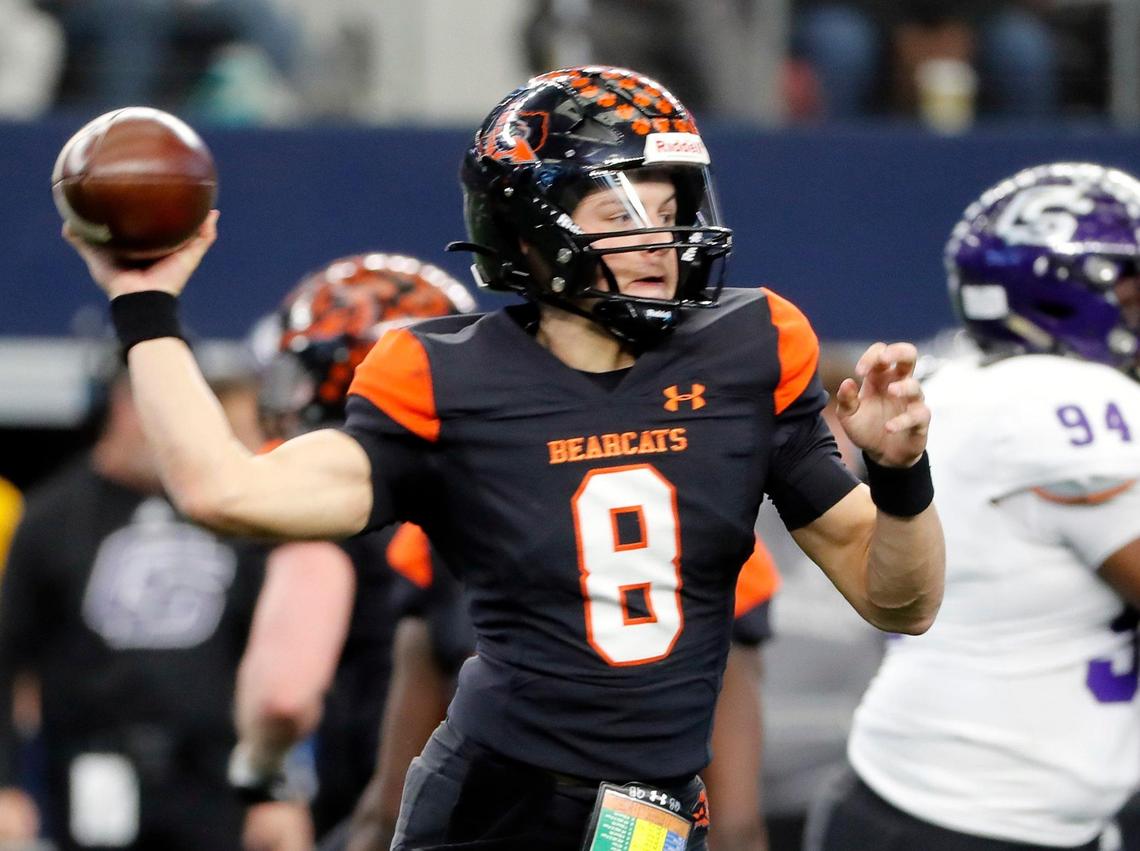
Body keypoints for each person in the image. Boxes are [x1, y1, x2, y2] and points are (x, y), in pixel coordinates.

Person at [61, 65, 944, 850]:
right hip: (503, 804)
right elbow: (227, 492)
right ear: (531, 233)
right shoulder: (447, 377)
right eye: (621, 215)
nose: (658, 242)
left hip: (657, 812)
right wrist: (144, 303)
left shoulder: (750, 348)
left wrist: (901, 475)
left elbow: (900, 599)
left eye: (669, 213)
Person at [804, 161, 1140, 851]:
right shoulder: (1065, 400)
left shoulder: (969, 381)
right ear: (1068, 296)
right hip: (968, 820)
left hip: (946, 800)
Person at [229, 252, 476, 851]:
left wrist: (260, 776)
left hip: (385, 811)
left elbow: (285, 694)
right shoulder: (503, 483)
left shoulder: (332, 507)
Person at [342, 537, 781, 851]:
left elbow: (389, 806)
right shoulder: (714, 530)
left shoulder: (443, 531)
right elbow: (736, 824)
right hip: (642, 824)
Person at [0, 348, 265, 850]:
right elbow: (7, 655)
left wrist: (271, 785)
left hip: (211, 776)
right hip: (95, 771)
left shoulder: (218, 509)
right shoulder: (51, 518)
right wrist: (5, 782)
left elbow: (267, 648)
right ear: (126, 405)